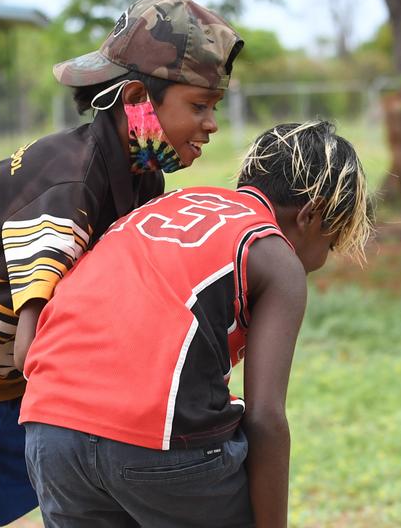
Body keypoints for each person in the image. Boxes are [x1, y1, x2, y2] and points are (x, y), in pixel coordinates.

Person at [0, 0, 243, 527]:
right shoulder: (69, 186)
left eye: (215, 109)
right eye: (199, 106)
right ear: (137, 97)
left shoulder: (142, 177)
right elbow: (34, 350)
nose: (211, 126)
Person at [19, 121, 373, 528]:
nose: (321, 260)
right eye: (330, 244)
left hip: (50, 429)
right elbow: (265, 418)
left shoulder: (163, 206)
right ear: (311, 215)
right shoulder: (274, 254)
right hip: (154, 436)